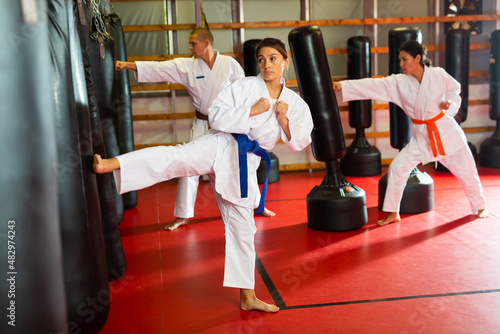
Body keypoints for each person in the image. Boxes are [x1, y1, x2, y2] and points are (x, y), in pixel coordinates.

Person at [94, 37, 314, 312]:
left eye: (272, 59)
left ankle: (247, 297)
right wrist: (251, 110)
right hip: (220, 143)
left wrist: (284, 121)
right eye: (261, 59)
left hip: (243, 163)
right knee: (178, 157)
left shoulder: (294, 103)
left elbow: (300, 141)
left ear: (286, 61)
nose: (266, 65)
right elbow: (215, 116)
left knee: (243, 229)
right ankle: (113, 164)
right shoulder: (245, 87)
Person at [115, 28, 275, 231]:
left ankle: (255, 205)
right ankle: (182, 215)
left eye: (193, 44)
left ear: (206, 43)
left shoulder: (229, 65)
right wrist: (129, 65)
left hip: (229, 127)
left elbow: (244, 92)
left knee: (240, 165)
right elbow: (160, 68)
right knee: (187, 168)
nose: (189, 47)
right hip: (202, 124)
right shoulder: (187, 66)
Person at [333, 40, 488, 226]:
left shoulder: (438, 75)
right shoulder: (399, 83)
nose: (401, 64)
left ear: (418, 58)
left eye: (405, 59)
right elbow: (374, 85)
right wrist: (343, 86)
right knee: (398, 166)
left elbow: (455, 90)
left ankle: (480, 206)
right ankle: (393, 212)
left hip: (446, 131)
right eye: (399, 60)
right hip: (421, 136)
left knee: (467, 170)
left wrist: (450, 105)